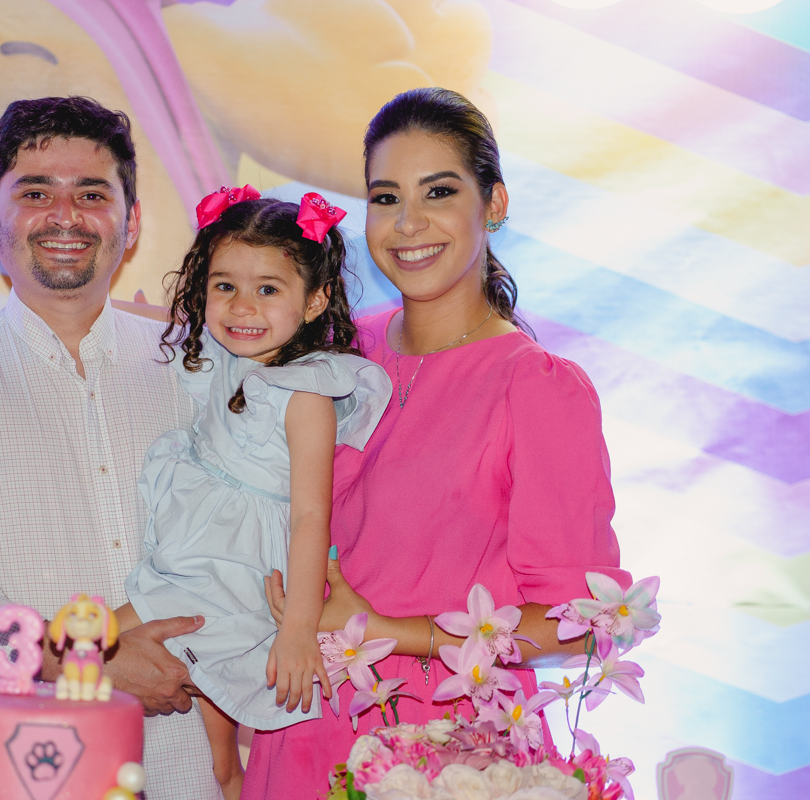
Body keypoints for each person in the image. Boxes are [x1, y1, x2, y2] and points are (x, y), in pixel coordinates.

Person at [241, 87, 633, 798]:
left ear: (495, 203)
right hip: (298, 726)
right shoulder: (334, 354)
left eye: (439, 192)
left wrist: (388, 629)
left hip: (447, 753)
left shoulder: (536, 387)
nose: (408, 223)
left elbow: (579, 624)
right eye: (385, 198)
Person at [0, 96, 220, 800]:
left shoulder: (196, 370)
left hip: (174, 763)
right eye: (35, 193)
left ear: (132, 221)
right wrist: (81, 663)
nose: (65, 216)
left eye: (92, 193)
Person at [114, 191, 392, 798]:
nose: (242, 307)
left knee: (95, 642)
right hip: (199, 543)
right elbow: (142, 321)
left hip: (234, 564)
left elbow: (311, 516)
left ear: (314, 300)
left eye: (268, 289)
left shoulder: (307, 393)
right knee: (212, 742)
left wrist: (298, 630)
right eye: (225, 287)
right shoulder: (223, 350)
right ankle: (227, 777)